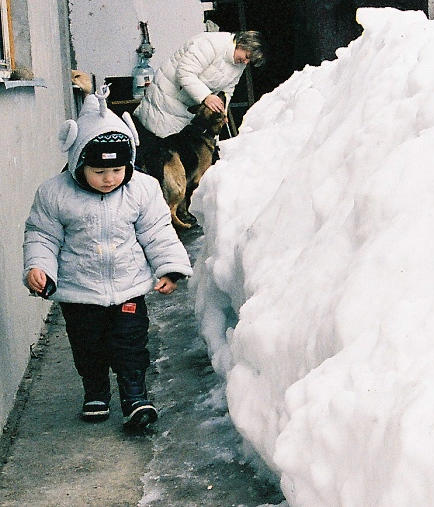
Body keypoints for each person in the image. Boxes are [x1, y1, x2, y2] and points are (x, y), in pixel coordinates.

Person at [22, 85, 193, 430]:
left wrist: (169, 268)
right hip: (80, 292)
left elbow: (157, 231)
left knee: (131, 345)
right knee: (89, 348)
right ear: (78, 164)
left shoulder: (142, 189)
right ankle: (95, 391)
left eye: (116, 171)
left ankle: (134, 395)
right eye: (98, 172)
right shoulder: (55, 194)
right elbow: (42, 235)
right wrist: (38, 267)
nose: (109, 179)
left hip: (128, 289)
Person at [133, 30, 266, 139]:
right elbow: (185, 72)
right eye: (247, 56)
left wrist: (221, 113)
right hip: (166, 99)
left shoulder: (239, 64)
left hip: (187, 108)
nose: (246, 62)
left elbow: (227, 90)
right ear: (243, 44)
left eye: (250, 61)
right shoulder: (212, 43)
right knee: (157, 148)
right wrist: (206, 96)